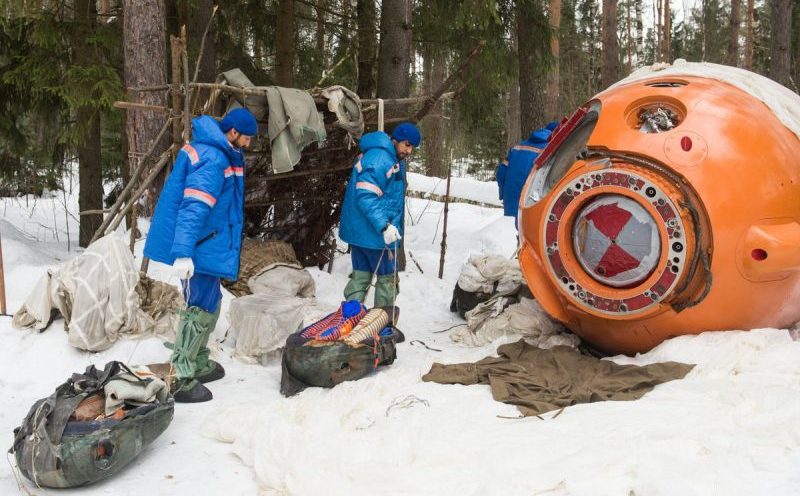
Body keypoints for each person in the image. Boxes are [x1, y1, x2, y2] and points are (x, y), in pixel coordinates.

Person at [143, 107, 258, 403]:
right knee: (198, 305)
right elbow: (193, 208)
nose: (249, 144)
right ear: (232, 132)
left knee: (211, 301)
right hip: (199, 244)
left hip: (211, 240)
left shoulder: (223, 151)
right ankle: (181, 375)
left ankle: (197, 359)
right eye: (246, 138)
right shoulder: (212, 157)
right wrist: (183, 253)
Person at [338, 122, 421, 313]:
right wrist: (384, 227)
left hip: (364, 231)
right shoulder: (381, 159)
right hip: (376, 233)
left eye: (412, 147)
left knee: (361, 276)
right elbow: (366, 196)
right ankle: (381, 323)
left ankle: (350, 318)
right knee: (387, 279)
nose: (409, 151)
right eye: (407, 144)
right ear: (395, 140)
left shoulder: (389, 156)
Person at [496, 122, 557, 226]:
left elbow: (501, 173)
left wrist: (503, 194)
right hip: (533, 201)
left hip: (511, 198)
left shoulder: (518, 147)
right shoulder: (552, 151)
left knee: (511, 235)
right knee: (529, 237)